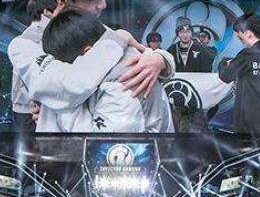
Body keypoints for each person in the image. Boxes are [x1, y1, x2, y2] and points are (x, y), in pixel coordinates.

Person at [7, 0, 174, 133]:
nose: (103, 4)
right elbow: (68, 88)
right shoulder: (27, 45)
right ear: (61, 0)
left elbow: (139, 54)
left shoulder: (103, 31)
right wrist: (48, 113)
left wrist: (160, 59)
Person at [39, 8, 173, 133]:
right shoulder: (112, 59)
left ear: (88, 53)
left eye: (67, 67)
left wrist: (59, 104)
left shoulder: (122, 83)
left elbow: (102, 143)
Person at [218, 14, 260, 134]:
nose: (240, 40)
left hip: (251, 127)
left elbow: (225, 76)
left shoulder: (247, 55)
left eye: (241, 38)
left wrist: (223, 63)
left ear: (249, 34)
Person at [10, 0, 56, 133]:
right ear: (47, 12)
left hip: (24, 106)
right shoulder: (40, 35)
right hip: (33, 107)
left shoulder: (27, 35)